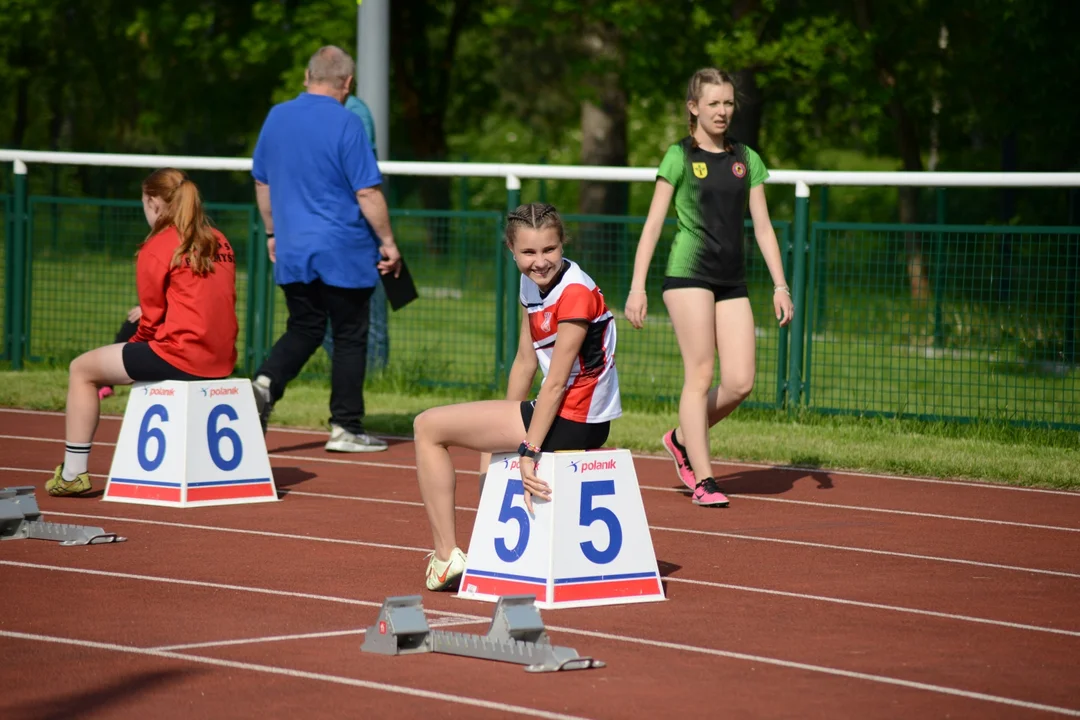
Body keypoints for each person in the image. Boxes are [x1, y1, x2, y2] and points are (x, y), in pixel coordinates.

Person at [413, 203, 622, 591]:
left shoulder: (575, 293)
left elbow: (556, 382)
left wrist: (526, 449)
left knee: (426, 427)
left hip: (575, 418)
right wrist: (497, 447)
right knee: (480, 446)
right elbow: (526, 361)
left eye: (550, 250)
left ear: (563, 245)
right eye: (529, 253)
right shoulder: (533, 283)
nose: (540, 262)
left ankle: (446, 558)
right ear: (511, 250)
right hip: (567, 413)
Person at [624, 68, 794, 508]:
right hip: (688, 275)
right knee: (700, 374)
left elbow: (763, 227)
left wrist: (780, 284)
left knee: (740, 382)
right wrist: (637, 286)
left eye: (729, 103)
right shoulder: (678, 156)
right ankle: (704, 479)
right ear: (693, 107)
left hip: (732, 279)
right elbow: (654, 223)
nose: (722, 111)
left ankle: (681, 437)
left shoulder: (747, 158)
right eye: (713, 103)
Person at [46, 168, 238, 496]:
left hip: (180, 356)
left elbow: (149, 322)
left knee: (81, 369)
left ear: (152, 202)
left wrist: (127, 351)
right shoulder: (219, 239)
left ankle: (73, 474)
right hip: (222, 359)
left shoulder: (157, 245)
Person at [250, 45, 401, 452]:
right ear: (347, 83)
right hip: (344, 249)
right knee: (350, 335)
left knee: (305, 326)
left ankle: (265, 383)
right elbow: (367, 191)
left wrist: (271, 233)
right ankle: (345, 427)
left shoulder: (276, 117)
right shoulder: (348, 122)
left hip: (294, 247)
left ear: (306, 75)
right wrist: (388, 242)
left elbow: (262, 183)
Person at [321, 93, 390, 373]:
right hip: (334, 233)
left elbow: (363, 181)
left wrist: (386, 241)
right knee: (328, 315)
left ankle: (373, 373)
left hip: (356, 234)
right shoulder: (335, 112)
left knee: (366, 314)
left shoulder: (354, 112)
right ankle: (343, 371)